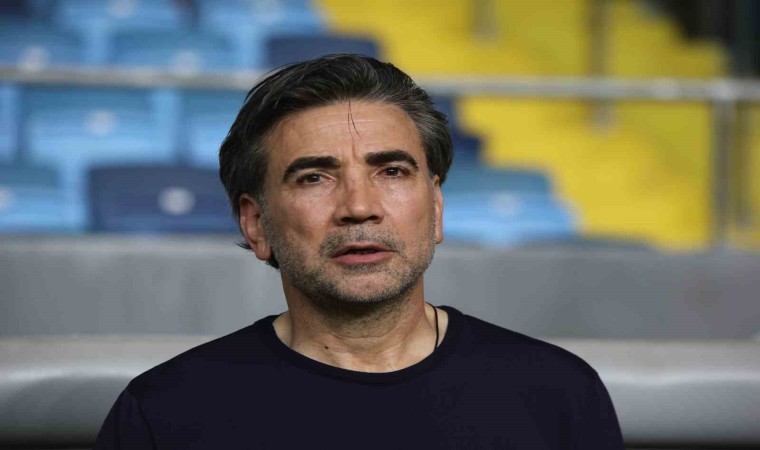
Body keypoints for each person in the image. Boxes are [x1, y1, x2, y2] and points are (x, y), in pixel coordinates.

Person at [94, 54, 624, 449]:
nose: (359, 207)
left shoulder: (559, 395)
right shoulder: (164, 413)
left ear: (436, 206)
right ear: (255, 224)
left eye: (391, 171)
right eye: (314, 177)